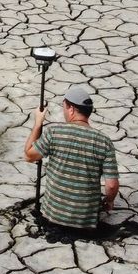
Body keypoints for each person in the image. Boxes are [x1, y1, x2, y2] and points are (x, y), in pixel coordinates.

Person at [23, 83, 119, 231]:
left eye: (64, 108)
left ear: (71, 109)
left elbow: (29, 156)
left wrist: (38, 123)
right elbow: (111, 185)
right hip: (85, 222)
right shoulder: (104, 141)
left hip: (52, 217)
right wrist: (109, 201)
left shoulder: (54, 132)